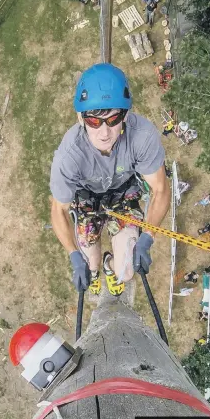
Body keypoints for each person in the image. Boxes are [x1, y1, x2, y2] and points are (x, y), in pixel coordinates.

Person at [50, 63, 170, 297]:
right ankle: (96, 270)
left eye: (113, 119)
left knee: (125, 271)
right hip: (86, 199)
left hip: (122, 194)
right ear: (80, 117)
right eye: (94, 121)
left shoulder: (142, 137)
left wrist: (147, 237)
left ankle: (109, 267)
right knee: (88, 261)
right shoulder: (70, 155)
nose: (104, 132)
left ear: (125, 115)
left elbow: (160, 190)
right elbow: (59, 210)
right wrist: (74, 256)